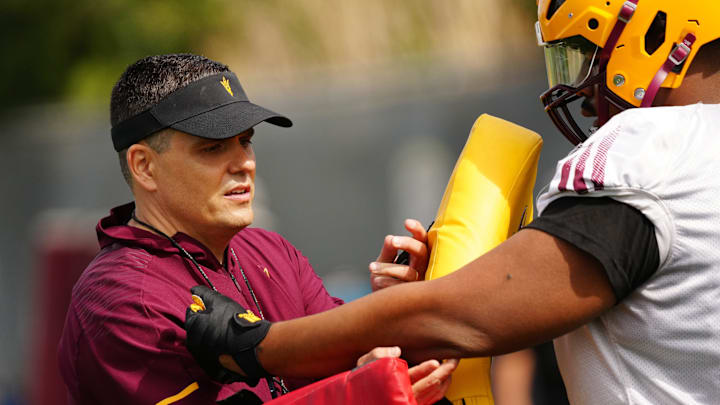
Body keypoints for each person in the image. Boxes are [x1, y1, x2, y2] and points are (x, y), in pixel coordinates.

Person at [184, 1, 720, 403]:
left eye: (584, 54)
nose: (579, 85)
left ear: (655, 36)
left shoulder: (656, 149)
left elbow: (465, 317)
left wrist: (258, 344)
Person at [57, 54, 455, 405]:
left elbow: (351, 365)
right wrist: (367, 390)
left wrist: (386, 322)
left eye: (245, 141)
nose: (243, 163)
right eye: (212, 147)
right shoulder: (119, 300)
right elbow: (356, 388)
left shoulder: (269, 250)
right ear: (144, 166)